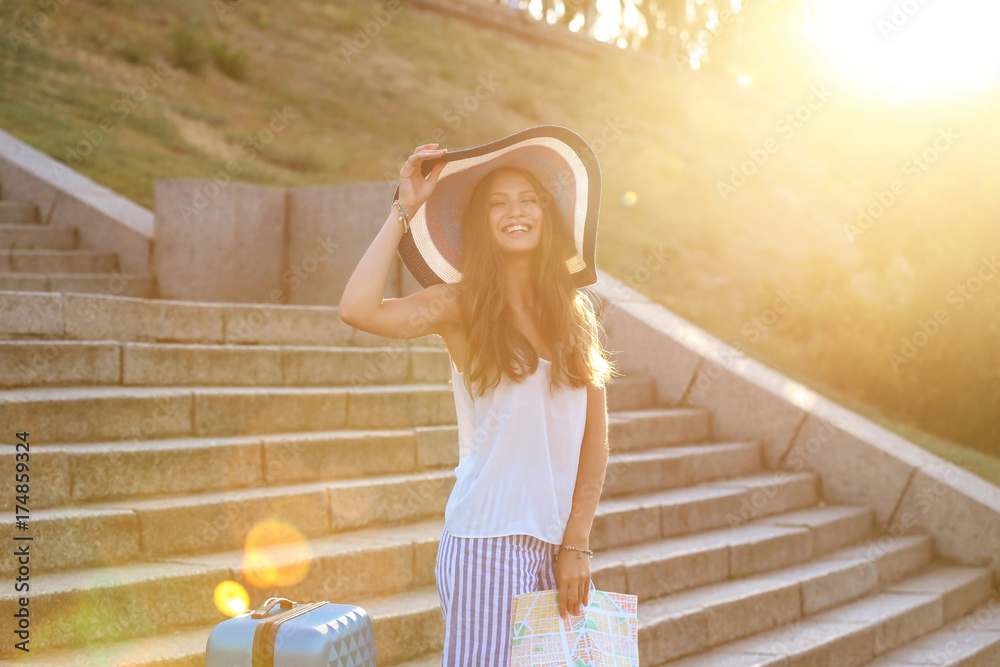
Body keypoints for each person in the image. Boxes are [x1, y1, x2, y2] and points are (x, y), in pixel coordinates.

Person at [339, 126, 616, 665]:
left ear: (547, 215)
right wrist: (403, 210)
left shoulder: (573, 313)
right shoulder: (460, 306)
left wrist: (576, 544)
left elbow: (595, 442)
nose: (516, 212)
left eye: (529, 200)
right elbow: (358, 309)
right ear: (482, 223)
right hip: (486, 542)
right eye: (498, 204)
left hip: (553, 544)